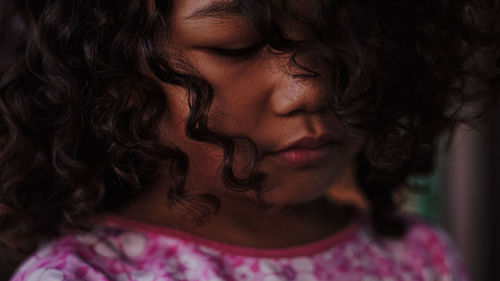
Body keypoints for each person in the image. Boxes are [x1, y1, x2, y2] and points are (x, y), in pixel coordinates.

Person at [0, 0, 498, 280]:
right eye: (235, 48)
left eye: (344, 44)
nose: (311, 89)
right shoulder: (80, 277)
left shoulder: (416, 256)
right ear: (115, 72)